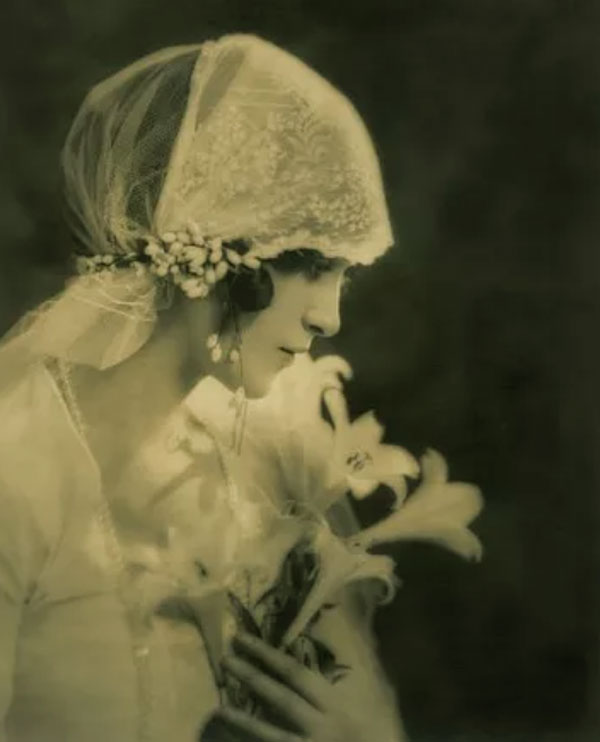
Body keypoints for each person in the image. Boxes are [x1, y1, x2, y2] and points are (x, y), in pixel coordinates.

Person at [0, 33, 482, 742]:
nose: (329, 317)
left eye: (343, 277)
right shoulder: (18, 464)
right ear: (228, 260)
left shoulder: (272, 449)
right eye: (312, 268)